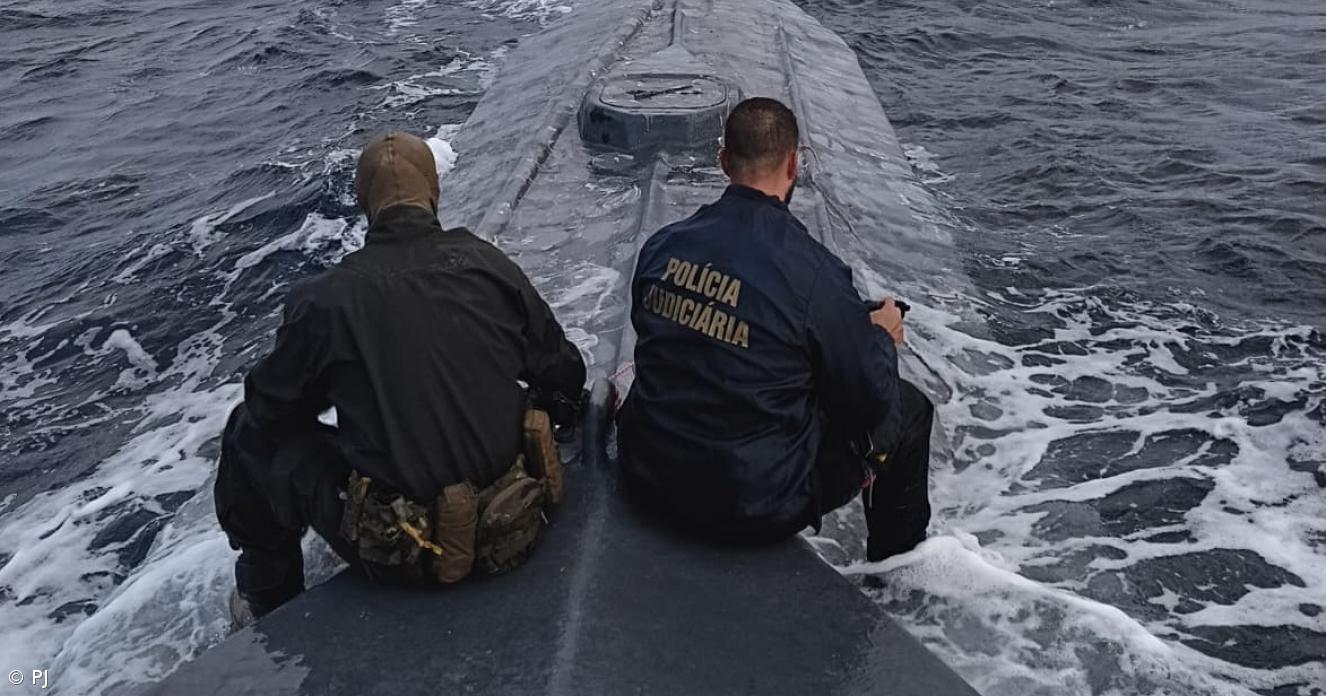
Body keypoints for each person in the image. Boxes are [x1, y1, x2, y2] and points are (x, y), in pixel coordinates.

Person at [215, 132, 586, 626]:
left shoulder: (325, 301)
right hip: (514, 521)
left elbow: (268, 412)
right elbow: (566, 372)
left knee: (246, 436)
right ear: (434, 192)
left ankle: (265, 599)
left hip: (403, 553)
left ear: (362, 204)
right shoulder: (487, 264)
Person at [617, 97, 934, 561]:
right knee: (910, 411)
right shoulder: (816, 274)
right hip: (753, 505)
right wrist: (880, 339)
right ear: (794, 163)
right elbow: (868, 403)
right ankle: (896, 568)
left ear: (724, 160)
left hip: (648, 476)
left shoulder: (663, 246)